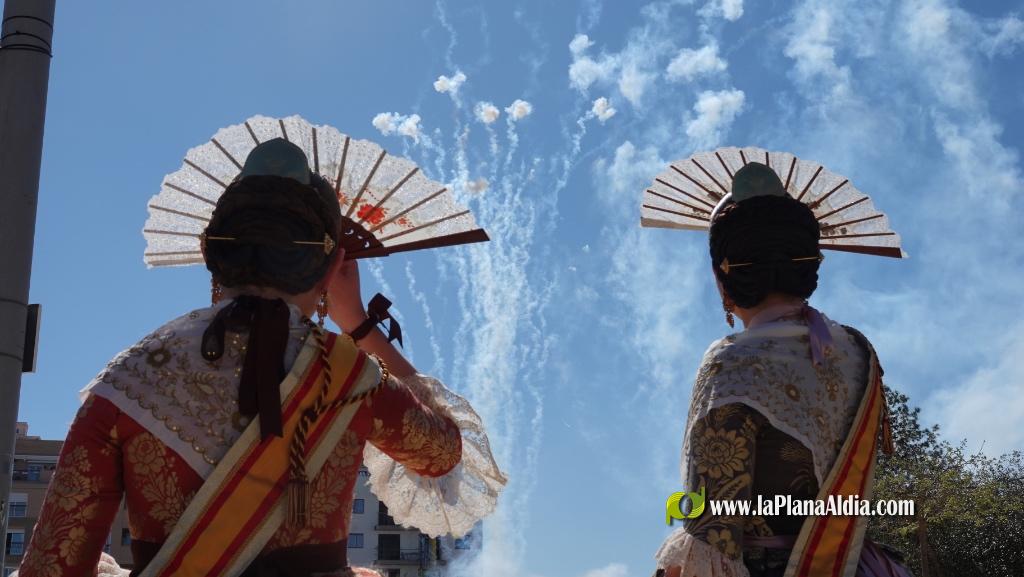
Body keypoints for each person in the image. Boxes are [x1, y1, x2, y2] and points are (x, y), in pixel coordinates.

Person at [15, 139, 504, 577]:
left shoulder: (125, 383)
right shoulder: (354, 377)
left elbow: (50, 567)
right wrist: (358, 327)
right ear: (333, 266)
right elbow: (446, 454)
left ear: (209, 252)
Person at [653, 163, 912, 577]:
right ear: (810, 267)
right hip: (857, 563)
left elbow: (715, 526)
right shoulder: (858, 350)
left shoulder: (731, 362)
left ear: (724, 277)